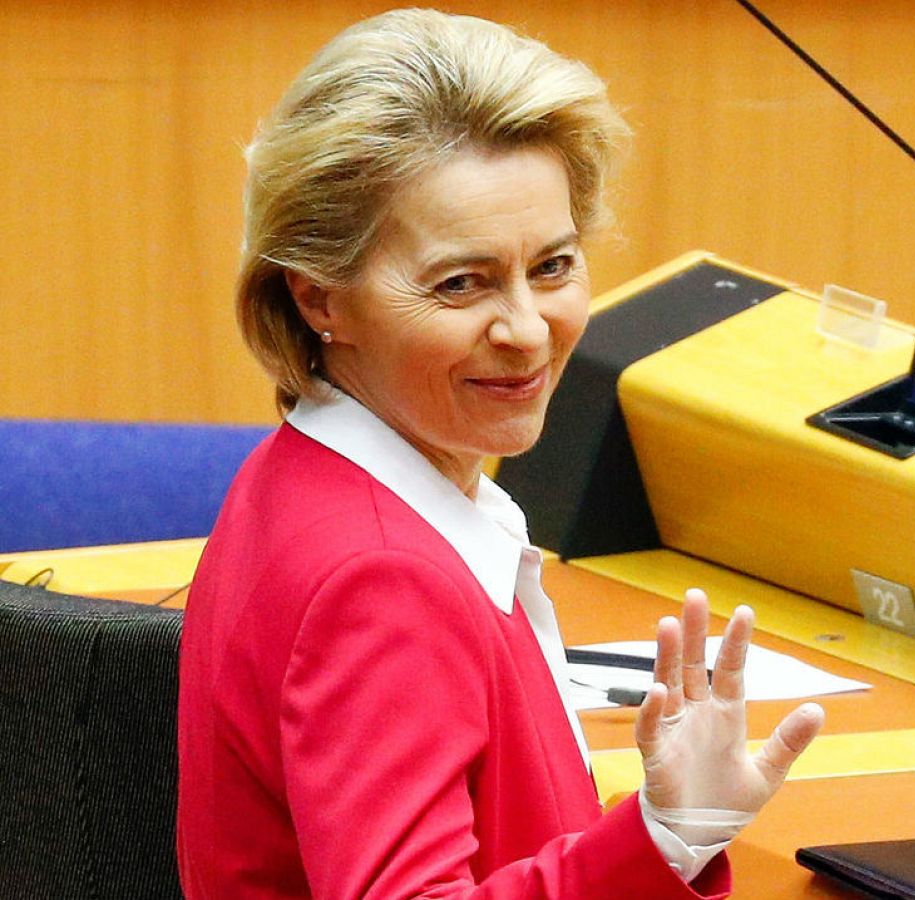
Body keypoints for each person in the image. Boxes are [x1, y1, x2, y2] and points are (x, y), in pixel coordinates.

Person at [175, 9, 824, 898]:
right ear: (320, 298)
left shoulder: (300, 477)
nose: (526, 331)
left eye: (553, 267)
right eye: (460, 283)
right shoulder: (380, 578)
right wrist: (664, 839)